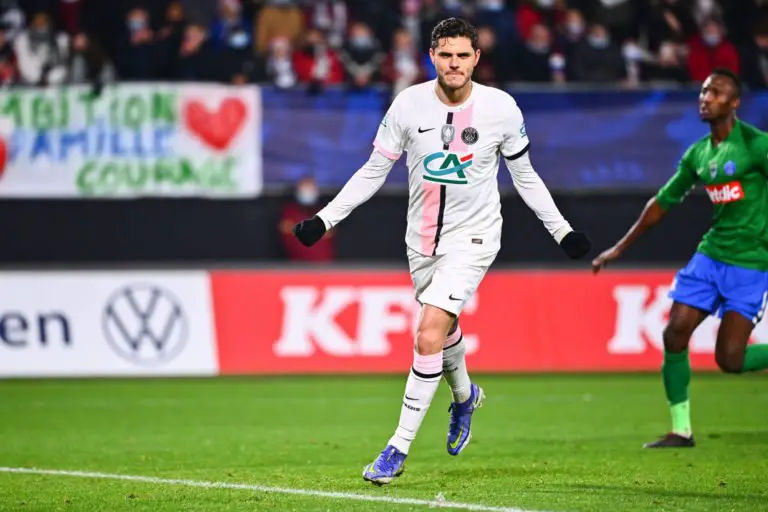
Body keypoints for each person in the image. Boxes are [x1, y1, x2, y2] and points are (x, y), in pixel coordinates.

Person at [293, 17, 591, 483]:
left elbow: (526, 176)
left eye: (463, 55)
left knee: (427, 334)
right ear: (432, 56)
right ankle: (465, 396)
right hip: (421, 240)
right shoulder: (408, 104)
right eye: (446, 55)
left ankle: (396, 449)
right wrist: (325, 219)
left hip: (474, 238)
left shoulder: (500, 109)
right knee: (444, 331)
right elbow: (373, 170)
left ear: (477, 58)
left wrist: (562, 231)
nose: (454, 64)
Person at [592, 68, 768, 448]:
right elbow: (663, 202)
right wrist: (620, 247)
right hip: (710, 256)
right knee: (674, 333)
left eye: (716, 92)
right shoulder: (699, 153)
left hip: (751, 264)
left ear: (735, 103)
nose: (706, 98)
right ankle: (681, 430)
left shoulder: (757, 146)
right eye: (704, 91)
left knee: (730, 360)